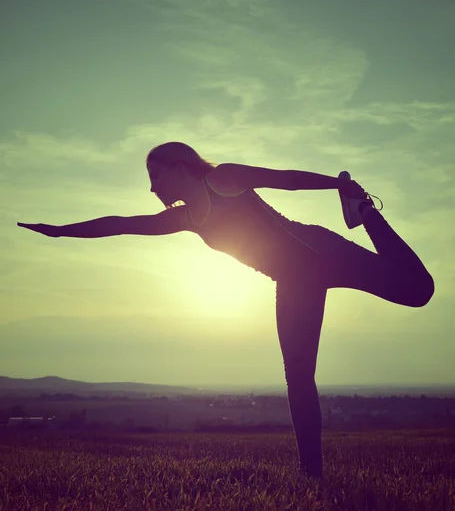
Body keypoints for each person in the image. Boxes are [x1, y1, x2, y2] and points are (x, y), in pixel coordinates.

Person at [17, 141, 434, 479]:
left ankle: (363, 211)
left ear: (179, 166)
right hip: (292, 282)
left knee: (418, 290)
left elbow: (283, 180)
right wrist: (59, 231)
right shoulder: (187, 220)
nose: (151, 188)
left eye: (154, 176)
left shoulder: (224, 180)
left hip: (319, 251)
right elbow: (122, 223)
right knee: (298, 377)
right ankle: (312, 475)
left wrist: (338, 186)